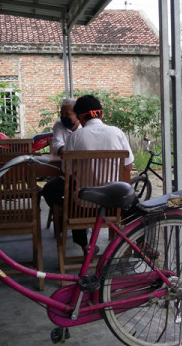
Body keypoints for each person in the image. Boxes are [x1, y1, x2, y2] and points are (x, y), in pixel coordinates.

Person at [42, 94, 134, 254]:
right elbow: (128, 166)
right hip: (114, 206)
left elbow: (67, 171)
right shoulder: (117, 132)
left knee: (68, 195)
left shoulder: (75, 137)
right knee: (132, 198)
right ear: (101, 114)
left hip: (83, 208)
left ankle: (85, 245)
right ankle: (139, 241)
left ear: (79, 117)